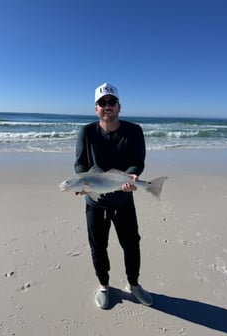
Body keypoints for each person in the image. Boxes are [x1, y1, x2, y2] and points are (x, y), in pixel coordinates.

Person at [74, 83, 153, 309]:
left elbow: (137, 162)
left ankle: (134, 285)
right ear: (96, 108)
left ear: (119, 106)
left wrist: (130, 178)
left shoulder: (134, 131)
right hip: (95, 202)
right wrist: (85, 183)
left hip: (123, 199)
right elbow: (80, 165)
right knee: (98, 246)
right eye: (102, 103)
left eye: (111, 102)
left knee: (131, 244)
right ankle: (104, 286)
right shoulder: (86, 133)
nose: (107, 107)